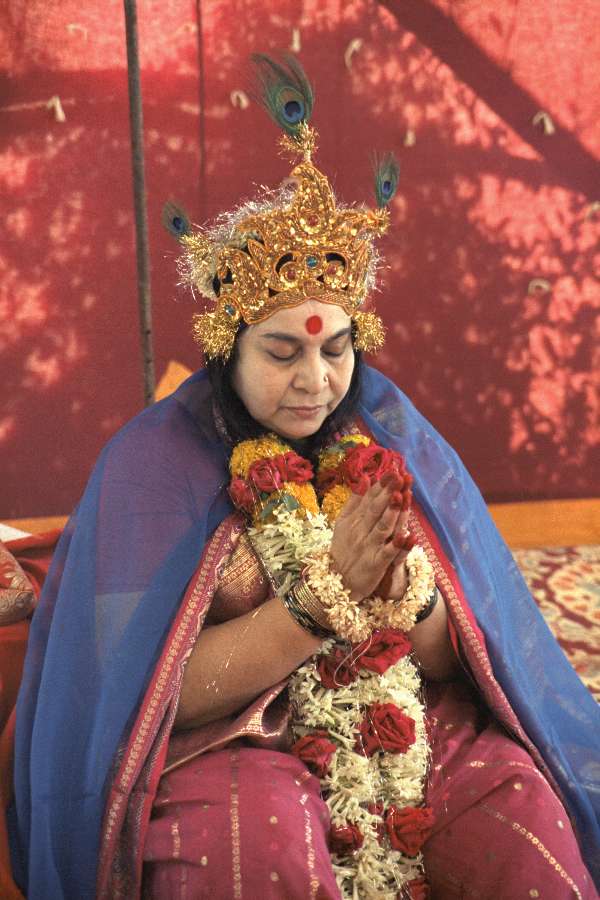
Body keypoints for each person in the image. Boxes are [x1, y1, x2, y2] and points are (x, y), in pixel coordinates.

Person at [8, 56, 600, 900]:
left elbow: (460, 659)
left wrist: (406, 600)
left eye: (337, 349)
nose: (316, 381)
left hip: (404, 716)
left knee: (524, 826)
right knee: (261, 858)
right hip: (232, 738)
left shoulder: (388, 439)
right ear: (228, 350)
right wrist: (320, 604)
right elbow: (147, 691)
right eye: (283, 352)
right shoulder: (151, 470)